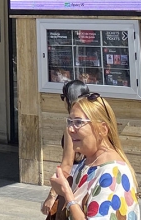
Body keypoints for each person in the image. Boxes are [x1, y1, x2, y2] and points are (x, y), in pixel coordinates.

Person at [50, 94, 140, 219]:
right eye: (70, 121)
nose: (70, 129)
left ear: (102, 129)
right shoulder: (88, 162)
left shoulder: (113, 173)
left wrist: (66, 193)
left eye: (78, 122)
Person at [42, 80, 91, 215]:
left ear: (69, 99)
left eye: (63, 98)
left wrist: (52, 195)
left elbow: (67, 164)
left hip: (75, 183)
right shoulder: (93, 120)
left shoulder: (72, 126)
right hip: (91, 178)